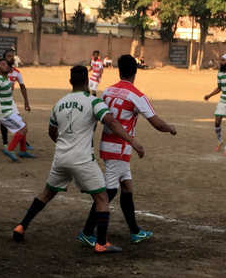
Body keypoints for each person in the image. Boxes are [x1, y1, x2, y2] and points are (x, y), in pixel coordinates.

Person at [13, 65, 143, 253]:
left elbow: (51, 131)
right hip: (82, 159)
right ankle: (101, 243)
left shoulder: (59, 103)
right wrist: (133, 142)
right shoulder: (93, 102)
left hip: (61, 157)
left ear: (70, 81)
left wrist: (65, 144)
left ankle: (21, 225)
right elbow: (112, 122)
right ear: (86, 81)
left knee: (47, 193)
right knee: (102, 197)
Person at [81, 55, 176, 245]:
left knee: (126, 187)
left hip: (109, 144)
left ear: (119, 70)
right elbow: (155, 122)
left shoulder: (107, 91)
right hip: (119, 147)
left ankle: (135, 231)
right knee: (109, 192)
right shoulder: (136, 95)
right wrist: (170, 128)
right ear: (135, 71)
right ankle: (87, 232)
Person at [0, 58, 34, 162]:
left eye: (6, 64)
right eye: (3, 64)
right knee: (23, 129)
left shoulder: (5, 79)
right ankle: (10, 149)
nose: (6, 65)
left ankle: (23, 151)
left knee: (23, 125)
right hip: (4, 112)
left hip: (8, 110)